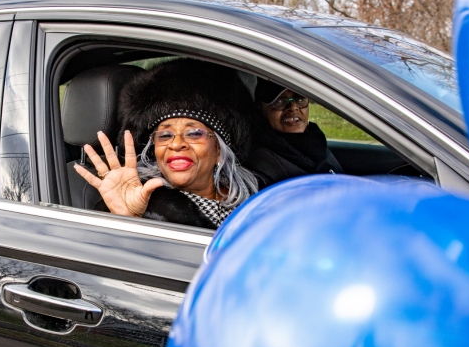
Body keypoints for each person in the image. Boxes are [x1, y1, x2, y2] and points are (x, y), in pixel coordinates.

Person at [74, 59, 258, 230]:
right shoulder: (139, 202)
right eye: (164, 135)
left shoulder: (257, 198)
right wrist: (127, 219)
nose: (176, 144)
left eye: (193, 133)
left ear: (219, 149)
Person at [245, 78, 343, 188]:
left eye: (299, 99)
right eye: (280, 102)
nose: (293, 108)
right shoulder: (263, 166)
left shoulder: (316, 142)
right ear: (261, 108)